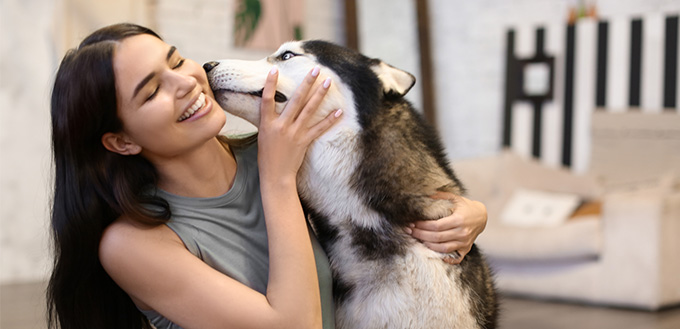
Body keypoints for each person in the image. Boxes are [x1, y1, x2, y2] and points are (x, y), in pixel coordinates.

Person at [46, 23, 488, 329]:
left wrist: (469, 213)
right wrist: (277, 180)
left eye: (177, 61)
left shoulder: (282, 151)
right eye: (153, 90)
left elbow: (389, 201)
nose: (185, 83)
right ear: (121, 141)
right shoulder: (131, 244)